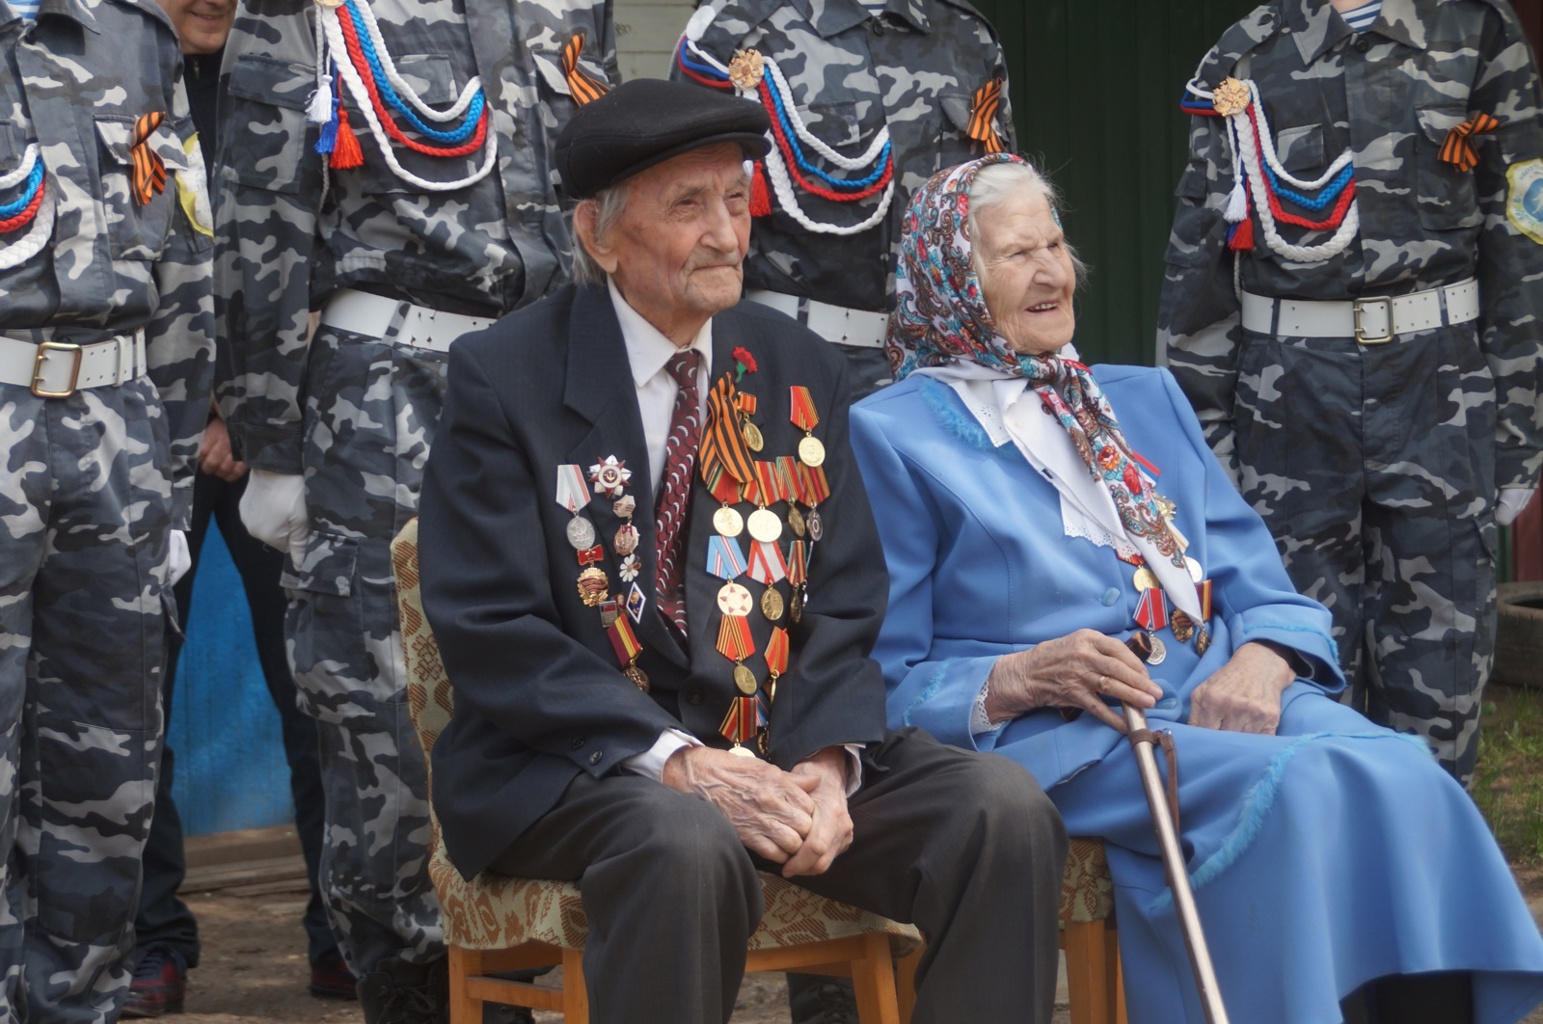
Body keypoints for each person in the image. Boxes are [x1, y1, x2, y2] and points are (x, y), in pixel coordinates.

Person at [416, 79, 1068, 1024]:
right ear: (600, 236)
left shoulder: (796, 366)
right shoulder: (504, 377)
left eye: (736, 200)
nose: (725, 234)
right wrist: (677, 759)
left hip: (774, 746)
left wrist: (830, 761)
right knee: (683, 840)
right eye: (688, 207)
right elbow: (492, 626)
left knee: (999, 811)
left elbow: (844, 601)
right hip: (585, 766)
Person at [849, 154, 1543, 1024]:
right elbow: (881, 672)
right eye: (1015, 253)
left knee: (1403, 774)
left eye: (1056, 244)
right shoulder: (890, 435)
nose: (1052, 271)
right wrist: (1015, 678)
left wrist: (1261, 660)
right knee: (1297, 787)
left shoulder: (1140, 400)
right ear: (951, 279)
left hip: (1222, 688)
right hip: (1079, 730)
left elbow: (1264, 589)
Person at [212, 0, 615, 1018]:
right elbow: (261, 228)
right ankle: (410, 987)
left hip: (551, 395)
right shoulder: (306, 12)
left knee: (561, 701)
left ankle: (524, 984)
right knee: (385, 732)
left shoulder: (570, 8)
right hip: (386, 400)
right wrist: (272, 442)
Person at [1156, 0, 1543, 784]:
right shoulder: (1241, 54)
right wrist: (1200, 446)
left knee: (1441, 672)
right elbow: (1197, 268)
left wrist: (1519, 430)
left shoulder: (1476, 34)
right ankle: (1321, 877)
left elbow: (1522, 242)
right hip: (1285, 407)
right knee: (1291, 665)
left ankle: (1434, 879)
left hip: (1439, 400)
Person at [126, 0, 349, 1016]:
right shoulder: (104, 67)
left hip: (288, 432)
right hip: (142, 434)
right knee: (128, 704)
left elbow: (337, 243)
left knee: (325, 693)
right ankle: (150, 943)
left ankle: (345, 930)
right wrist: (199, 404)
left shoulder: (323, 59)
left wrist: (252, 410)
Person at [0, 0, 215, 1018]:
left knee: (107, 774)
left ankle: (73, 1002)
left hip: (118, 436)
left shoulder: (133, 37)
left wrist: (170, 480)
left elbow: (184, 268)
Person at [672, 0, 1014, 402]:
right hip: (792, 370)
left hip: (953, 372)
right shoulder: (733, 32)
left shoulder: (965, 33)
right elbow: (686, 215)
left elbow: (1003, 204)